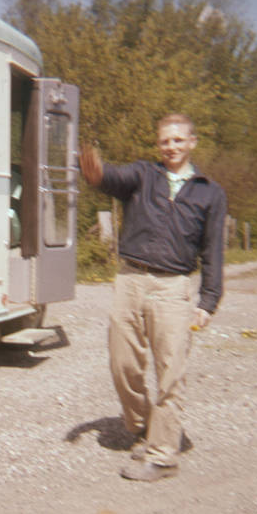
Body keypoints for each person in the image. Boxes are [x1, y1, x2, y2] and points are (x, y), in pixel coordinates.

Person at [79, 113, 227, 481]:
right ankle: (145, 426)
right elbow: (110, 177)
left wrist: (207, 302)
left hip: (173, 289)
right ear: (158, 144)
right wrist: (95, 172)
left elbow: (213, 251)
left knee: (170, 373)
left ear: (192, 142)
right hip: (130, 281)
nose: (171, 146)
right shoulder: (143, 175)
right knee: (122, 364)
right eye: (165, 141)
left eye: (178, 140)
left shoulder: (210, 191)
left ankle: (163, 457)